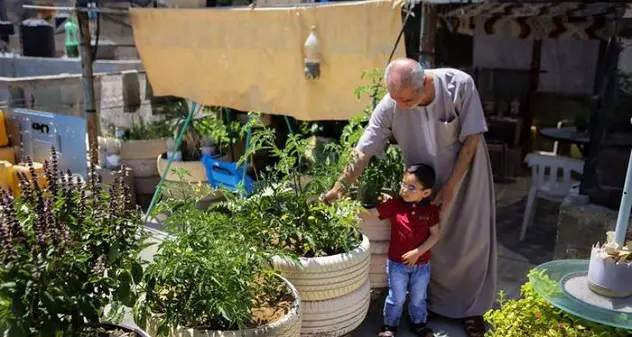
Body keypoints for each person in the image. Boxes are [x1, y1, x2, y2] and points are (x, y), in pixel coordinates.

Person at [323, 58, 496, 337]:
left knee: (470, 242)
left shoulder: (459, 85)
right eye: (395, 100)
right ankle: (431, 305)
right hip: (420, 185)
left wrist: (451, 184)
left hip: (466, 176)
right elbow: (363, 149)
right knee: (427, 244)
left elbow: (472, 140)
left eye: (406, 100)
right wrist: (339, 187)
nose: (400, 106)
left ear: (424, 83)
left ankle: (471, 310)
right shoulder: (393, 103)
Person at [361, 164, 440, 337]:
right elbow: (372, 213)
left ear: (425, 193)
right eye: (403, 184)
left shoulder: (429, 210)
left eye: (411, 187)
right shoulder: (394, 206)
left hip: (421, 265)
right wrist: (350, 210)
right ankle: (390, 326)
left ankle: (419, 324)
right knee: (396, 297)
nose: (404, 190)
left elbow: (435, 235)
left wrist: (417, 252)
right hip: (397, 264)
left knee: (419, 297)